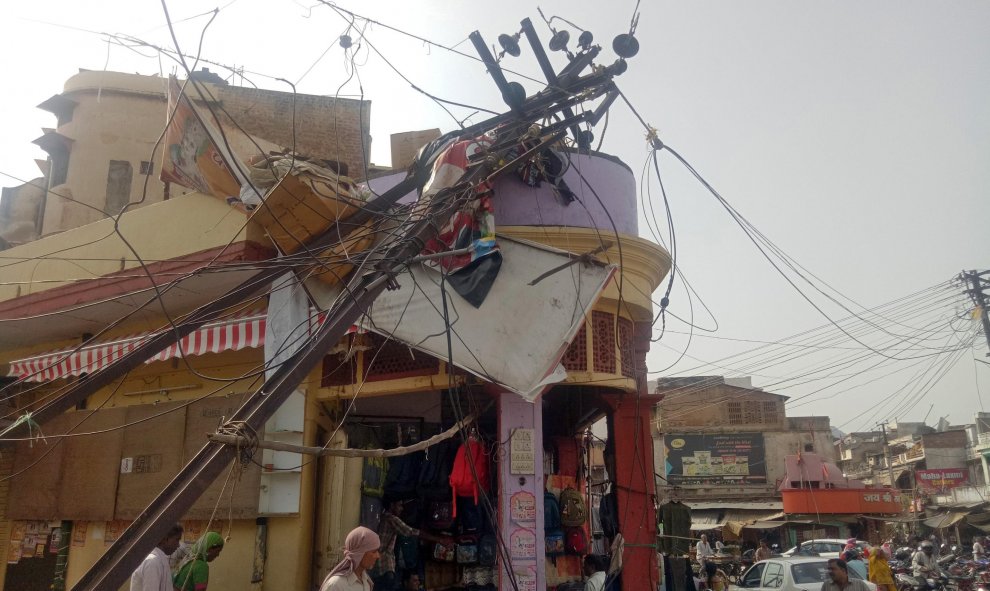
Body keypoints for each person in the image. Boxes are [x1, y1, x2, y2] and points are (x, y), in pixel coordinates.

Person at [374, 499, 439, 591]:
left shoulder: (385, 517)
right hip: (384, 563)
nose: (402, 508)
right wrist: (439, 539)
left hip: (383, 563)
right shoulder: (391, 519)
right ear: (392, 505)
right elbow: (411, 531)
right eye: (399, 505)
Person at [320, 526, 382, 591]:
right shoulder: (336, 585)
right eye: (374, 551)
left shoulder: (366, 582)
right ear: (359, 553)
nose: (378, 556)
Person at [129, 524, 182, 591]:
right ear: (165, 539)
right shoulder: (152, 562)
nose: (178, 545)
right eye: (177, 540)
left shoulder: (160, 560)